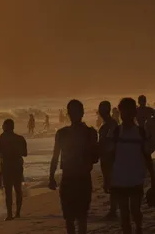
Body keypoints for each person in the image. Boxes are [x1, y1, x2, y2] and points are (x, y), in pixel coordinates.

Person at [48, 99, 99, 234]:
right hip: (81, 178)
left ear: (68, 114)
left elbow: (55, 156)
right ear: (82, 113)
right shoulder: (90, 133)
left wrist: (51, 177)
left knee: (70, 218)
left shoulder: (62, 133)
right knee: (81, 217)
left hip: (70, 178)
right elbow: (95, 158)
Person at [111, 97, 155, 234]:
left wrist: (154, 180)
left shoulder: (140, 132)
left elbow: (147, 156)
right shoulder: (116, 132)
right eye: (123, 111)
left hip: (136, 178)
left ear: (133, 113)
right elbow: (110, 156)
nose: (125, 115)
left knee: (135, 210)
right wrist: (108, 177)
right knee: (124, 213)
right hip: (119, 179)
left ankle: (138, 229)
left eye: (128, 111)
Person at [0, 118, 28, 220]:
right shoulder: (20, 138)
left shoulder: (1, 139)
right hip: (17, 166)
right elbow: (25, 153)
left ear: (5, 127)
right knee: (18, 190)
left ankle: (9, 214)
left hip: (7, 167)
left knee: (8, 191)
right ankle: (17, 213)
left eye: (3, 126)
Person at [98, 100, 120, 220]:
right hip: (105, 157)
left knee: (111, 183)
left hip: (110, 157)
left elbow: (110, 142)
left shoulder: (112, 124)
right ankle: (113, 209)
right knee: (109, 182)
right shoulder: (106, 124)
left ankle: (113, 210)